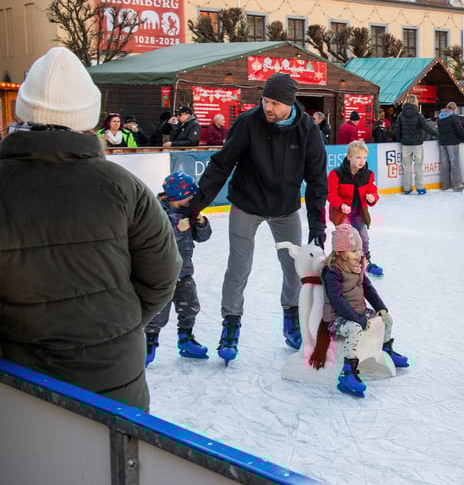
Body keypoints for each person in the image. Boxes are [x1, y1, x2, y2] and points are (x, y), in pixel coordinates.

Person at [0, 47, 179, 410]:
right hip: (113, 376)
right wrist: (118, 325)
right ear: (87, 115)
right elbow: (162, 274)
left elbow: (162, 274)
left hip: (17, 383)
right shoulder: (123, 186)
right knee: (114, 449)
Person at [192, 72, 328, 363]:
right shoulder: (248, 122)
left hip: (285, 208)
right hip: (247, 203)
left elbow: (317, 180)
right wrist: (197, 204)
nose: (268, 107)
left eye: (275, 103)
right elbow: (221, 164)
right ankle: (231, 324)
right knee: (238, 266)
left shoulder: (307, 129)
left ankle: (291, 318)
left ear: (289, 103)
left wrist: (318, 224)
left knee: (294, 268)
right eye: (265, 100)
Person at [308, 224, 409, 397]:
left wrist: (380, 307)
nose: (359, 254)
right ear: (340, 252)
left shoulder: (357, 266)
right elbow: (337, 300)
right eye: (354, 251)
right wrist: (357, 319)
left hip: (358, 312)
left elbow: (368, 288)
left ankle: (386, 350)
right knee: (355, 329)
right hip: (337, 318)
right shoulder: (332, 271)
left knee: (386, 319)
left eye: (360, 250)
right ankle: (347, 372)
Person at [144, 171, 212, 366]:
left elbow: (203, 238)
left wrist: (201, 224)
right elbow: (154, 240)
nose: (193, 197)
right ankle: (148, 345)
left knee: (190, 306)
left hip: (184, 272)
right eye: (190, 194)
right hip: (160, 275)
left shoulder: (188, 211)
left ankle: (186, 339)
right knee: (157, 313)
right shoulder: (156, 212)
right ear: (179, 195)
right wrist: (177, 229)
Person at [327, 139, 383, 277]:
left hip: (359, 212)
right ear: (349, 157)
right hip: (342, 212)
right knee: (345, 238)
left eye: (364, 157)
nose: (361, 161)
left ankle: (365, 261)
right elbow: (330, 194)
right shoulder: (336, 174)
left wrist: (372, 197)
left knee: (363, 237)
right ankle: (340, 264)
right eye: (358, 157)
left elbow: (373, 191)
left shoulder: (368, 174)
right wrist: (341, 204)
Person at [394, 96, 437, 195]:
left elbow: (397, 129)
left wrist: (399, 139)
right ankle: (420, 188)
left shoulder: (401, 115)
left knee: (406, 167)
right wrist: (436, 134)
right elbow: (426, 127)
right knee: (418, 166)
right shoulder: (418, 115)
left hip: (405, 144)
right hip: (417, 144)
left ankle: (407, 188)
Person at [437, 101, 464, 192]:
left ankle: (445, 185)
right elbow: (459, 129)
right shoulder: (453, 117)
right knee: (454, 163)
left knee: (444, 164)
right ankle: (457, 184)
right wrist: (463, 139)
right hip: (452, 143)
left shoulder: (440, 117)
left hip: (442, 143)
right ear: (454, 109)